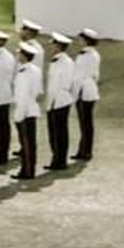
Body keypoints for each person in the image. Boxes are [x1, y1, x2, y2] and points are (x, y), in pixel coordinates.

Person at [10, 41, 43, 181]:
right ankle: (27, 169)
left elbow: (23, 96)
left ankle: (28, 171)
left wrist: (18, 115)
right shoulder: (35, 70)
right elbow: (37, 91)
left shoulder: (24, 73)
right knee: (28, 143)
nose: (17, 54)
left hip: (25, 112)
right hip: (31, 109)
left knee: (27, 144)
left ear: (24, 56)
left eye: (19, 53)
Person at [44, 33, 75, 170]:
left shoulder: (66, 62)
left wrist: (56, 99)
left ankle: (60, 160)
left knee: (60, 132)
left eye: (54, 45)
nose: (52, 47)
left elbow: (65, 83)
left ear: (58, 46)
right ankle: (55, 158)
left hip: (61, 100)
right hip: (53, 100)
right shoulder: (56, 61)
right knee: (53, 132)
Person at [73, 29, 100, 160]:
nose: (79, 41)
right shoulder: (88, 54)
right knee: (84, 123)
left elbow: (84, 75)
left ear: (86, 40)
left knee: (86, 123)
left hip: (86, 91)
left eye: (81, 38)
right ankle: (82, 150)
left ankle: (86, 151)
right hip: (84, 90)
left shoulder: (88, 55)